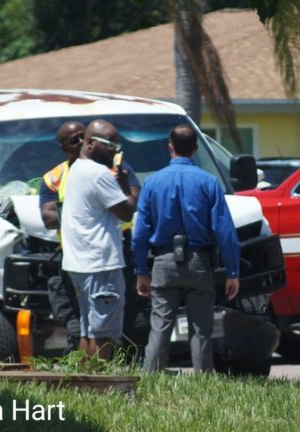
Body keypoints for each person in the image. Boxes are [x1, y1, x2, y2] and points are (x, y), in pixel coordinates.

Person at [133, 123, 240, 372]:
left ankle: (151, 377)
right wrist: (233, 271)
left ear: (170, 147)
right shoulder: (209, 182)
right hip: (199, 262)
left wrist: (141, 270)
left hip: (163, 261)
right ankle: (203, 380)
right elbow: (225, 231)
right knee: (201, 328)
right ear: (195, 150)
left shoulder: (151, 184)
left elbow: (140, 234)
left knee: (159, 325)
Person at [61, 119, 138, 360]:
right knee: (103, 334)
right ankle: (101, 387)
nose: (117, 150)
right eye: (111, 144)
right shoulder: (98, 174)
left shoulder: (76, 168)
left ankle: (85, 384)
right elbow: (127, 211)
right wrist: (127, 183)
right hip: (100, 264)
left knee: (89, 330)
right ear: (91, 143)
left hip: (80, 263)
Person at [39, 121, 85, 354]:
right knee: (76, 323)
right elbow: (48, 217)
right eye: (73, 140)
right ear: (63, 148)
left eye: (84, 137)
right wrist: (88, 209)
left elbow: (129, 203)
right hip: (72, 256)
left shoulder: (113, 168)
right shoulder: (54, 178)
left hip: (111, 255)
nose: (80, 143)